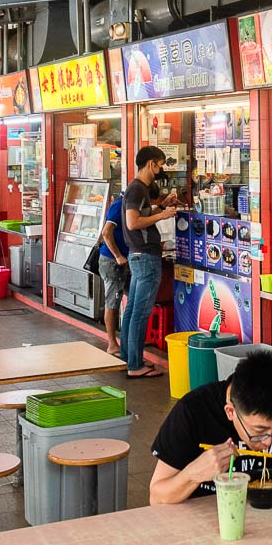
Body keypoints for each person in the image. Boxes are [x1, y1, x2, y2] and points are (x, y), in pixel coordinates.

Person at [150, 351, 272, 508]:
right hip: (206, 522)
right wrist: (194, 473)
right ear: (230, 412)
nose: (270, 441)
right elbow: (157, 496)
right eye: (259, 431)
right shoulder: (193, 411)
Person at [122, 146, 177, 378]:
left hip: (138, 256)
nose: (160, 170)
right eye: (160, 164)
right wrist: (162, 216)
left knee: (133, 309)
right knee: (140, 312)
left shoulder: (139, 189)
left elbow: (141, 215)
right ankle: (135, 365)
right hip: (145, 257)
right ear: (151, 163)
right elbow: (133, 222)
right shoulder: (137, 189)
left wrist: (161, 206)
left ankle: (127, 357)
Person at [99, 193, 130, 357]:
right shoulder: (119, 206)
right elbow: (106, 233)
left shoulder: (127, 205)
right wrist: (118, 255)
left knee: (129, 298)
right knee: (113, 302)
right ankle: (112, 344)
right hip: (112, 261)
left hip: (123, 261)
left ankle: (127, 339)